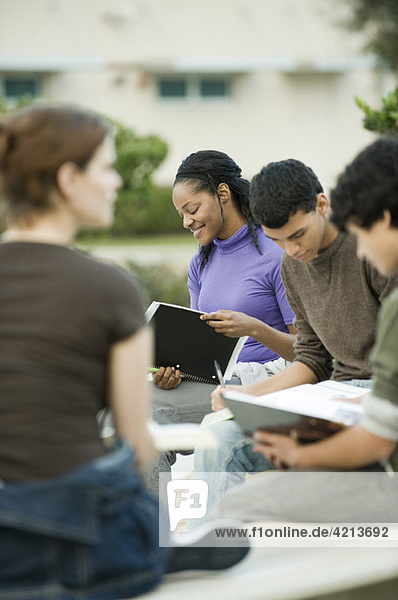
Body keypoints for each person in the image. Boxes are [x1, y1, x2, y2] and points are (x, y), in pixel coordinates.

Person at [0, 104, 248, 600]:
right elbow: (137, 445)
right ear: (69, 179)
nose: (116, 183)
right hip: (87, 528)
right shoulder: (110, 289)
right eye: (107, 168)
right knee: (229, 543)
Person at [211, 136, 398, 524]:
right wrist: (247, 397)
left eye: (297, 235)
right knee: (218, 439)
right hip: (333, 393)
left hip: (371, 395)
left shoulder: (373, 250)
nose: (292, 250)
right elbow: (312, 356)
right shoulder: (290, 268)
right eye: (277, 241)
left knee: (254, 501)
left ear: (321, 205)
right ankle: (195, 546)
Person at [149, 150, 296, 493]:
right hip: (210, 381)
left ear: (223, 194)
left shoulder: (276, 255)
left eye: (192, 209)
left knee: (140, 416)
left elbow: (307, 352)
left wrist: (254, 329)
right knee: (123, 406)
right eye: (181, 214)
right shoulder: (201, 263)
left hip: (263, 383)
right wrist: (172, 371)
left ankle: (157, 539)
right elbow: (195, 341)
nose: (186, 221)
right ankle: (152, 533)